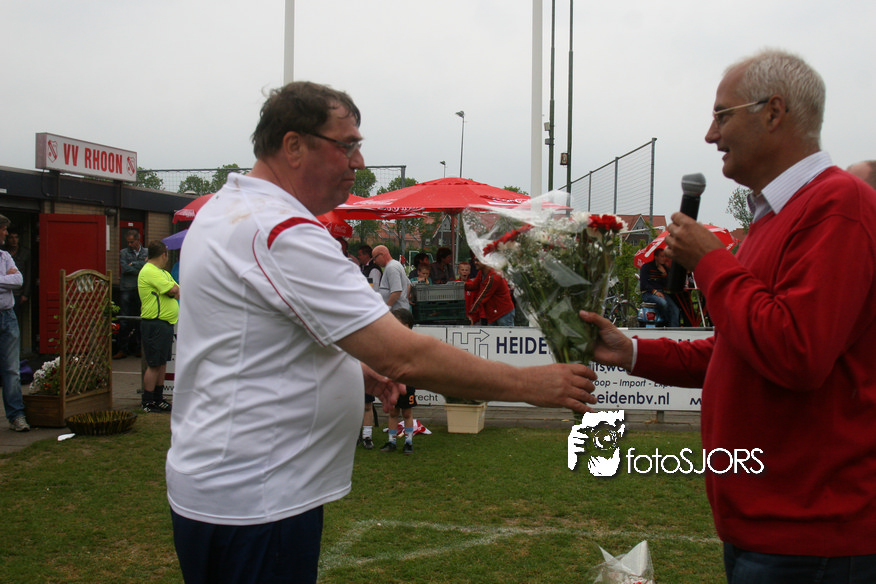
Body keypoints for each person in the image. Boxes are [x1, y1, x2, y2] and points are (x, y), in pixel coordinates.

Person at [165, 81, 597, 584]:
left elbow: (258, 342)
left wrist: (360, 373)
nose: (360, 161)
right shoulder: (279, 230)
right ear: (293, 145)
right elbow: (403, 355)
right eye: (347, 145)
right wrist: (529, 384)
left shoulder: (227, 210)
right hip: (257, 502)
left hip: (228, 491)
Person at [581, 49, 876, 582]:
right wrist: (632, 351)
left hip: (814, 537)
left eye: (722, 115)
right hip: (766, 528)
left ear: (774, 112)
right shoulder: (775, 217)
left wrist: (710, 262)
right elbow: (741, 348)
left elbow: (796, 351)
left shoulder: (839, 205)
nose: (710, 135)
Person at [138, 240, 179, 413]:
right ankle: (147, 401)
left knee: (162, 363)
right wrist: (172, 291)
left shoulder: (163, 273)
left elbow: (177, 290)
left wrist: (173, 291)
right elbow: (173, 290)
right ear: (164, 255)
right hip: (154, 322)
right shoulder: (149, 271)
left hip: (165, 323)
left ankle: (158, 398)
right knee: (154, 363)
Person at [0, 215, 28, 432]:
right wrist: (5, 280)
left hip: (8, 316)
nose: (6, 234)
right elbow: (11, 281)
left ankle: (16, 416)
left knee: (12, 369)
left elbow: (18, 281)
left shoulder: (5, 256)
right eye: (3, 229)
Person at [379, 308, 418, 455]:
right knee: (393, 412)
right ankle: (392, 441)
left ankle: (408, 442)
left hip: (407, 384)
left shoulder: (413, 342)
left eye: (397, 323)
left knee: (407, 413)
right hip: (392, 383)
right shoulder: (389, 341)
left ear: (407, 325)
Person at [116, 229, 148, 359]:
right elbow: (125, 268)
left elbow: (148, 266)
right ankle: (122, 349)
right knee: (124, 319)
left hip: (140, 288)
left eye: (132, 242)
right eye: (128, 242)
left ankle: (138, 348)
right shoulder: (123, 253)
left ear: (138, 240)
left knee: (141, 318)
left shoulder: (147, 252)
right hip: (127, 288)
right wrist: (140, 267)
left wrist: (133, 264)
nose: (129, 244)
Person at [638, 248, 680, 327]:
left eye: (665, 256)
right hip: (648, 293)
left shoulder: (664, 268)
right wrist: (655, 291)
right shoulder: (646, 267)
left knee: (675, 309)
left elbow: (667, 284)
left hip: (661, 292)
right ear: (656, 257)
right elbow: (644, 284)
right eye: (662, 256)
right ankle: (666, 322)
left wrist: (664, 273)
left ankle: (674, 329)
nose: (664, 258)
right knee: (663, 303)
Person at [467, 258, 515, 326]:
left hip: (503, 312)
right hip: (493, 313)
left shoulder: (493, 277)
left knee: (505, 332)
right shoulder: (482, 272)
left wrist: (471, 315)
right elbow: (473, 286)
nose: (475, 263)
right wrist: (459, 285)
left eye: (478, 260)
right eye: (475, 260)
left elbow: (482, 298)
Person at [3, 226, 30, 328]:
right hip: (5, 290)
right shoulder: (3, 253)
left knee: (14, 318)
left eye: (16, 237)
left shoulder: (25, 253)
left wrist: (25, 293)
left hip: (18, 292)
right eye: (11, 237)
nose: (14, 240)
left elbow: (28, 274)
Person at [373, 244, 410, 310]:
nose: (374, 261)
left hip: (397, 312)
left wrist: (386, 309)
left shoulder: (391, 268)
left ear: (381, 254)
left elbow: (396, 292)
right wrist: (404, 298)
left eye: (375, 258)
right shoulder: (396, 264)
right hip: (401, 309)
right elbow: (408, 284)